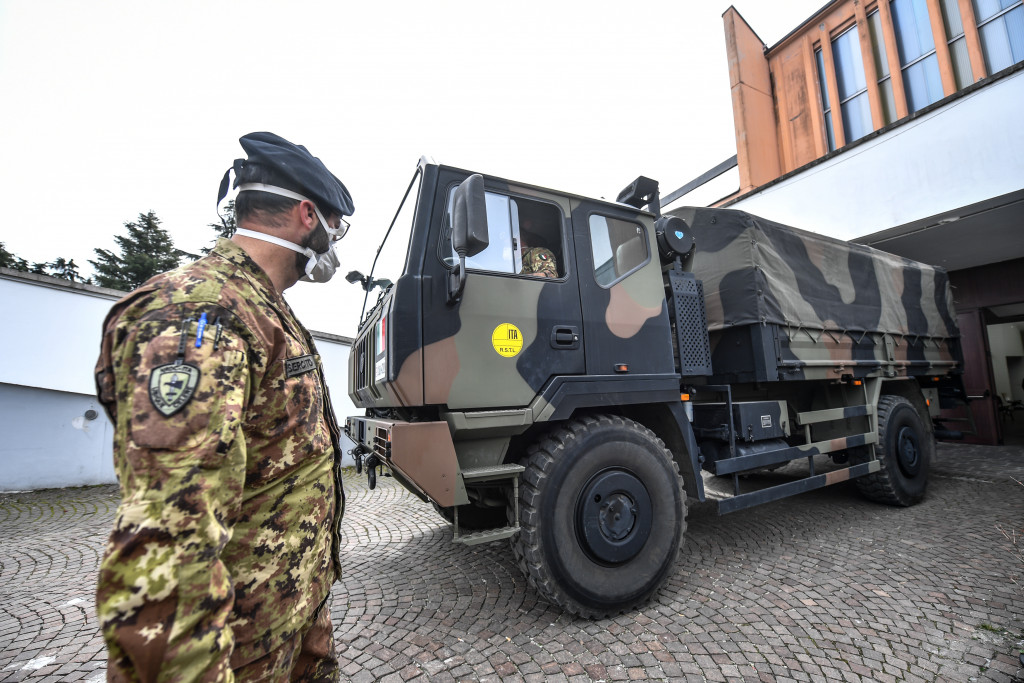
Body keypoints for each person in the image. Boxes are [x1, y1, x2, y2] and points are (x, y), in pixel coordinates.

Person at [94, 132, 353, 682]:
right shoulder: (200, 314)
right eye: (337, 227)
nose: (337, 242)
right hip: (240, 642)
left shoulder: (264, 309)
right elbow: (169, 537)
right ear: (309, 215)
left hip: (291, 611)